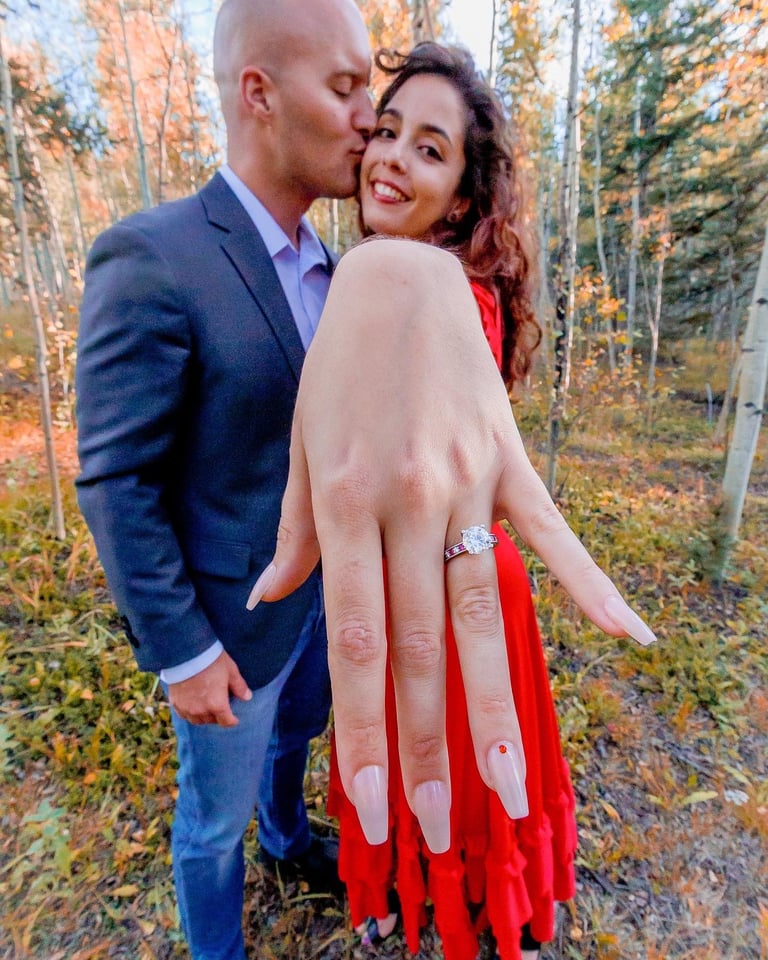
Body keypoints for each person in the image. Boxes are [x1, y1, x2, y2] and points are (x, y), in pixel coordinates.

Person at [268, 42, 647, 960]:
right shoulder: (382, 281)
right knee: (412, 751)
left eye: (430, 149)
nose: (394, 157)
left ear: (464, 200)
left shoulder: (450, 297)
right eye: (388, 132)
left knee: (450, 759)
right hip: (402, 579)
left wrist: (384, 271)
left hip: (455, 578)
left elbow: (427, 340)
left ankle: (470, 902)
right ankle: (410, 891)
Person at [75, 1, 376, 958]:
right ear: (259, 93)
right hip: (227, 635)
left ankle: (287, 838)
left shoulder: (340, 268)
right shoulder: (155, 256)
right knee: (212, 822)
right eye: (345, 86)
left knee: (299, 736)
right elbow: (117, 478)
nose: (369, 116)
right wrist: (184, 652)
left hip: (318, 605)